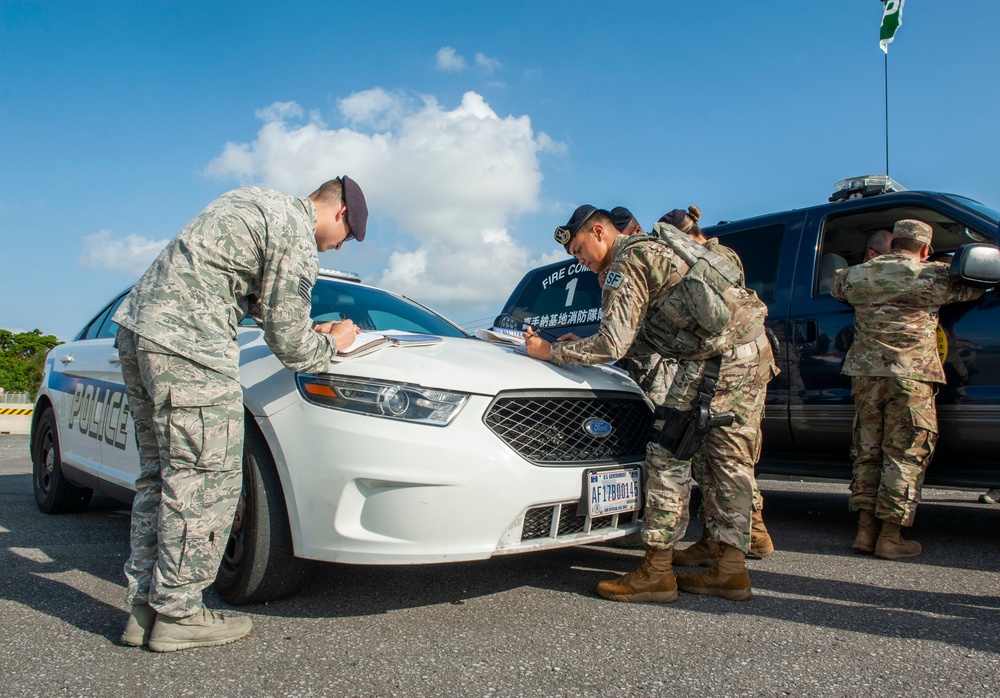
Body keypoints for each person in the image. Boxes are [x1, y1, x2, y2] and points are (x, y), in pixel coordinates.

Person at [112, 177, 368, 651]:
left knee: (162, 477)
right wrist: (334, 341)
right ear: (339, 214)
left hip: (140, 332)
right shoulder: (295, 234)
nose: (337, 249)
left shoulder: (253, 200)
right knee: (205, 480)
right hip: (190, 346)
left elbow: (243, 295)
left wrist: (305, 326)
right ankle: (180, 615)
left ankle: (145, 609)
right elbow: (293, 347)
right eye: (347, 238)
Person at [526, 205, 777, 602]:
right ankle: (730, 570)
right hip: (751, 352)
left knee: (667, 455)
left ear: (598, 231)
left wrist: (548, 352)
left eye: (578, 250)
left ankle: (657, 573)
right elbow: (657, 332)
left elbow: (612, 344)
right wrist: (582, 344)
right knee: (730, 461)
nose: (580, 260)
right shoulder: (657, 247)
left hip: (712, 362)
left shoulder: (626, 262)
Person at [830, 219, 984, 559]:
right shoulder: (931, 276)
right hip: (910, 376)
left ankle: (864, 531)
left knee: (868, 452)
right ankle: (891, 537)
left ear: (894, 241)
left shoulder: (858, 275)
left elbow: (836, 287)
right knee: (904, 455)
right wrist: (940, 265)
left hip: (866, 377)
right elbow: (973, 289)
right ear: (925, 248)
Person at [653, 205, 775, 563]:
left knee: (730, 457)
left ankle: (752, 534)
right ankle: (716, 540)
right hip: (721, 366)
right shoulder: (703, 255)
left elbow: (715, 308)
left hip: (736, 368)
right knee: (710, 459)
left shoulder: (718, 256)